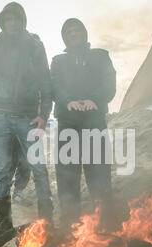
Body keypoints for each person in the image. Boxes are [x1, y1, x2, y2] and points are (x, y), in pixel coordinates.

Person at [0, 2, 53, 237]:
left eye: (15, 19)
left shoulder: (34, 45)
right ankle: (3, 220)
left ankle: (47, 217)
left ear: (22, 21)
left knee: (38, 167)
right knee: (1, 168)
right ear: (2, 22)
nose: (11, 23)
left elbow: (46, 81)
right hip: (0, 115)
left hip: (27, 117)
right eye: (7, 19)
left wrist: (44, 115)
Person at [51, 18, 116, 233]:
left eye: (76, 29)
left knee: (99, 172)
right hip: (67, 123)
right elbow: (55, 86)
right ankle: (70, 224)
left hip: (94, 121)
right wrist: (68, 100)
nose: (73, 33)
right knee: (67, 175)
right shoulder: (58, 61)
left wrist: (94, 99)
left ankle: (105, 221)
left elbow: (109, 83)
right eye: (68, 31)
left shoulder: (100, 56)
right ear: (64, 37)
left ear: (84, 33)